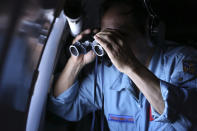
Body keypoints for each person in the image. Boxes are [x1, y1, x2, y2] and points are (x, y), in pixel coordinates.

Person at [48, 0, 197, 130]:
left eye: (120, 36)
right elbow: (63, 107)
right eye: (107, 36)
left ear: (149, 31)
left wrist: (131, 67)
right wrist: (76, 63)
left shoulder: (181, 60)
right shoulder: (108, 74)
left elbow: (187, 119)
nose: (112, 44)